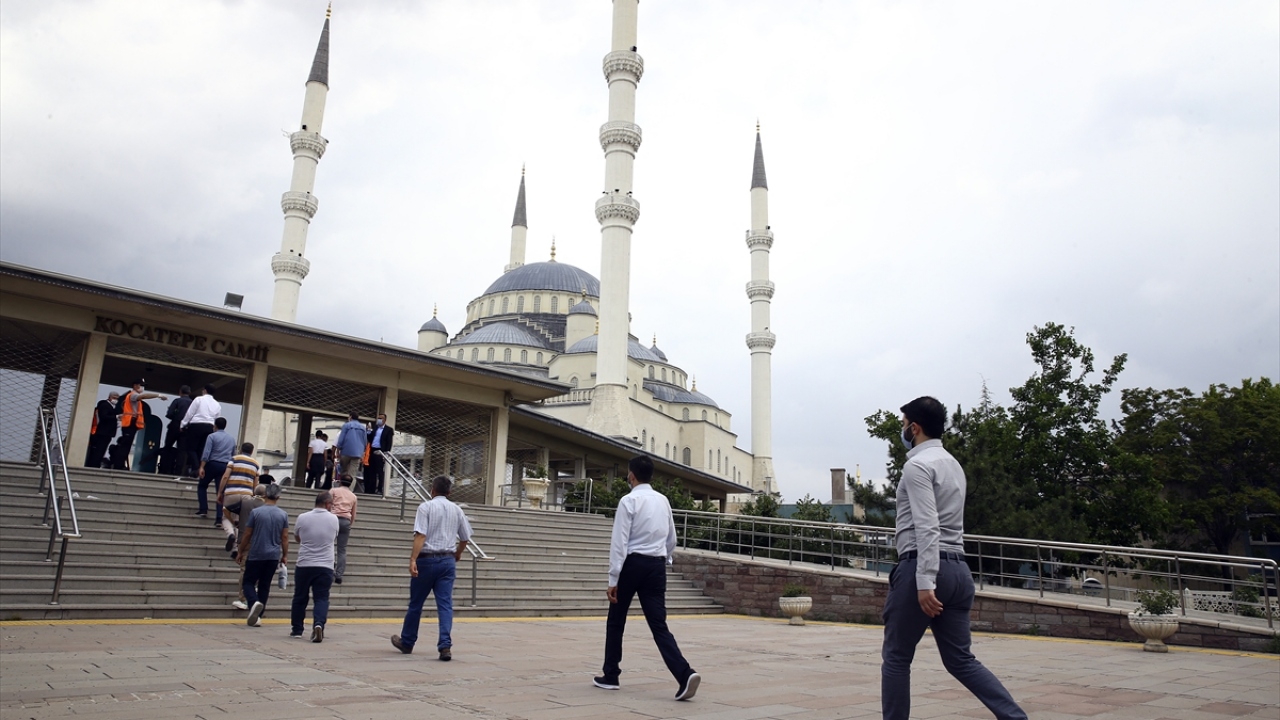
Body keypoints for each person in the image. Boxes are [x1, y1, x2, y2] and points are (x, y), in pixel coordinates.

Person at [881, 396, 1026, 720]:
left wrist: (925, 581)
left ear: (914, 428)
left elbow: (927, 525)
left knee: (896, 657)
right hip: (959, 570)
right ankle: (1015, 717)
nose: (902, 430)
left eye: (903, 425)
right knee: (961, 660)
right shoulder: (953, 464)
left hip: (923, 567)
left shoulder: (917, 466)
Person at [594, 455, 700, 701]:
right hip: (656, 565)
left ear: (631, 476)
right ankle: (684, 674)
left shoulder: (628, 501)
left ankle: (611, 675)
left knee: (616, 620)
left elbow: (619, 542)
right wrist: (665, 559)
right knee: (659, 625)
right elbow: (671, 538)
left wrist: (613, 579)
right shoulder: (663, 500)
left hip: (632, 564)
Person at [390, 475, 473, 661]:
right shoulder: (457, 509)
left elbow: (420, 535)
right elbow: (465, 538)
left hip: (426, 560)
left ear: (432, 490)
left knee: (416, 603)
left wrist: (413, 559)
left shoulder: (425, 507)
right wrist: (458, 553)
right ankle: (445, 645)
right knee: (445, 604)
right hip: (447, 561)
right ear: (449, 492)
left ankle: (407, 641)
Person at [291, 490, 340, 642]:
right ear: (327, 504)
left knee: (300, 597)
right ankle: (318, 624)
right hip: (325, 565)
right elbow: (334, 536)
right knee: (321, 598)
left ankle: (297, 629)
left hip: (304, 563)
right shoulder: (334, 519)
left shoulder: (302, 517)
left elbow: (297, 537)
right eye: (331, 504)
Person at [238, 483, 288, 627]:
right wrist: (284, 555)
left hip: (256, 553)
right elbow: (284, 537)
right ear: (278, 497)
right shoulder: (283, 514)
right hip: (273, 555)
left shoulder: (256, 512)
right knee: (265, 585)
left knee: (248, 582)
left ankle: (254, 602)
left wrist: (240, 550)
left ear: (265, 495)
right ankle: (258, 617)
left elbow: (247, 534)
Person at [111, 379, 167, 470]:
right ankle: (118, 465)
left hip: (132, 424)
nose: (142, 387)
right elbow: (144, 396)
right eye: (141, 385)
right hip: (129, 423)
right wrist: (158, 395)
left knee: (127, 445)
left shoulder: (134, 396)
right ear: (135, 385)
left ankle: (120, 465)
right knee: (125, 446)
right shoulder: (133, 395)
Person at [230, 484, 267, 611]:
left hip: (246, 541)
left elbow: (225, 508)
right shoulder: (267, 507)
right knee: (258, 570)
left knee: (244, 569)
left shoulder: (244, 503)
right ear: (265, 495)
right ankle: (254, 594)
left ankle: (243, 598)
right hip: (262, 543)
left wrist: (234, 522)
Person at [218, 441, 261, 553]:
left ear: (241, 449)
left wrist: (220, 492)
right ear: (252, 451)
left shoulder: (234, 459)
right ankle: (236, 549)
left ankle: (230, 534)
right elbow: (255, 483)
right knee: (240, 521)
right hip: (247, 495)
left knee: (226, 516)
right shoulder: (255, 464)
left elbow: (226, 476)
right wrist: (254, 495)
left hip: (232, 492)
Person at [195, 417, 234, 519]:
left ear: (215, 426)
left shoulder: (212, 436)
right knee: (220, 491)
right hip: (225, 466)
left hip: (212, 464)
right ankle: (219, 518)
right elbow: (233, 455)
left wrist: (202, 467)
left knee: (202, 486)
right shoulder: (231, 439)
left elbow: (206, 453)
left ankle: (203, 509)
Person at [180, 384, 220, 479]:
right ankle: (199, 470)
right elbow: (217, 418)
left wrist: (183, 424)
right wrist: (215, 430)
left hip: (196, 425)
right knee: (201, 449)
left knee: (190, 448)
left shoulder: (199, 399)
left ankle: (196, 468)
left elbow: (190, 413)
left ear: (205, 390)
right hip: (209, 427)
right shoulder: (217, 404)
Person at [329, 474, 358, 585]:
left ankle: (330, 569)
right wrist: (350, 523)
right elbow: (353, 513)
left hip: (333, 518)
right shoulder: (353, 496)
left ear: (340, 481)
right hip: (346, 520)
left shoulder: (333, 491)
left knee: (329, 545)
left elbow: (328, 505)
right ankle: (339, 575)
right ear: (350, 484)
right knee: (342, 549)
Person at [84, 391, 120, 468]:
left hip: (107, 433)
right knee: (98, 450)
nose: (115, 400)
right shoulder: (105, 405)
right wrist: (116, 417)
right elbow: (104, 417)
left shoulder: (113, 407)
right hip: (102, 432)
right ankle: (94, 465)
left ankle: (96, 464)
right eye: (114, 398)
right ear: (109, 397)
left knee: (101, 450)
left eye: (117, 398)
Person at [162, 385, 192, 475]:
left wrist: (175, 415)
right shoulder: (193, 403)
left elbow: (169, 414)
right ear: (189, 393)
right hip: (187, 428)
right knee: (182, 451)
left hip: (174, 426)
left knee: (167, 447)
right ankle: (178, 471)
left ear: (180, 392)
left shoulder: (177, 401)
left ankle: (164, 469)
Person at [365, 413, 395, 495]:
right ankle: (371, 489)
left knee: (380, 471)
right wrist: (369, 431)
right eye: (378, 418)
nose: (379, 420)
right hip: (373, 450)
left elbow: (389, 442)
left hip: (381, 451)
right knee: (372, 471)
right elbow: (370, 439)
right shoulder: (375, 428)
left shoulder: (388, 430)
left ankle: (379, 489)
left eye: (381, 418)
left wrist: (386, 453)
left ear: (385, 420)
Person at [335, 412, 367, 488]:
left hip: (346, 452)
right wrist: (362, 452)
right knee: (352, 474)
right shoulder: (363, 428)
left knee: (343, 471)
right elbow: (365, 441)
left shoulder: (346, 425)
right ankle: (349, 490)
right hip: (357, 453)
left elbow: (341, 439)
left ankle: (342, 488)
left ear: (350, 417)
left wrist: (338, 449)